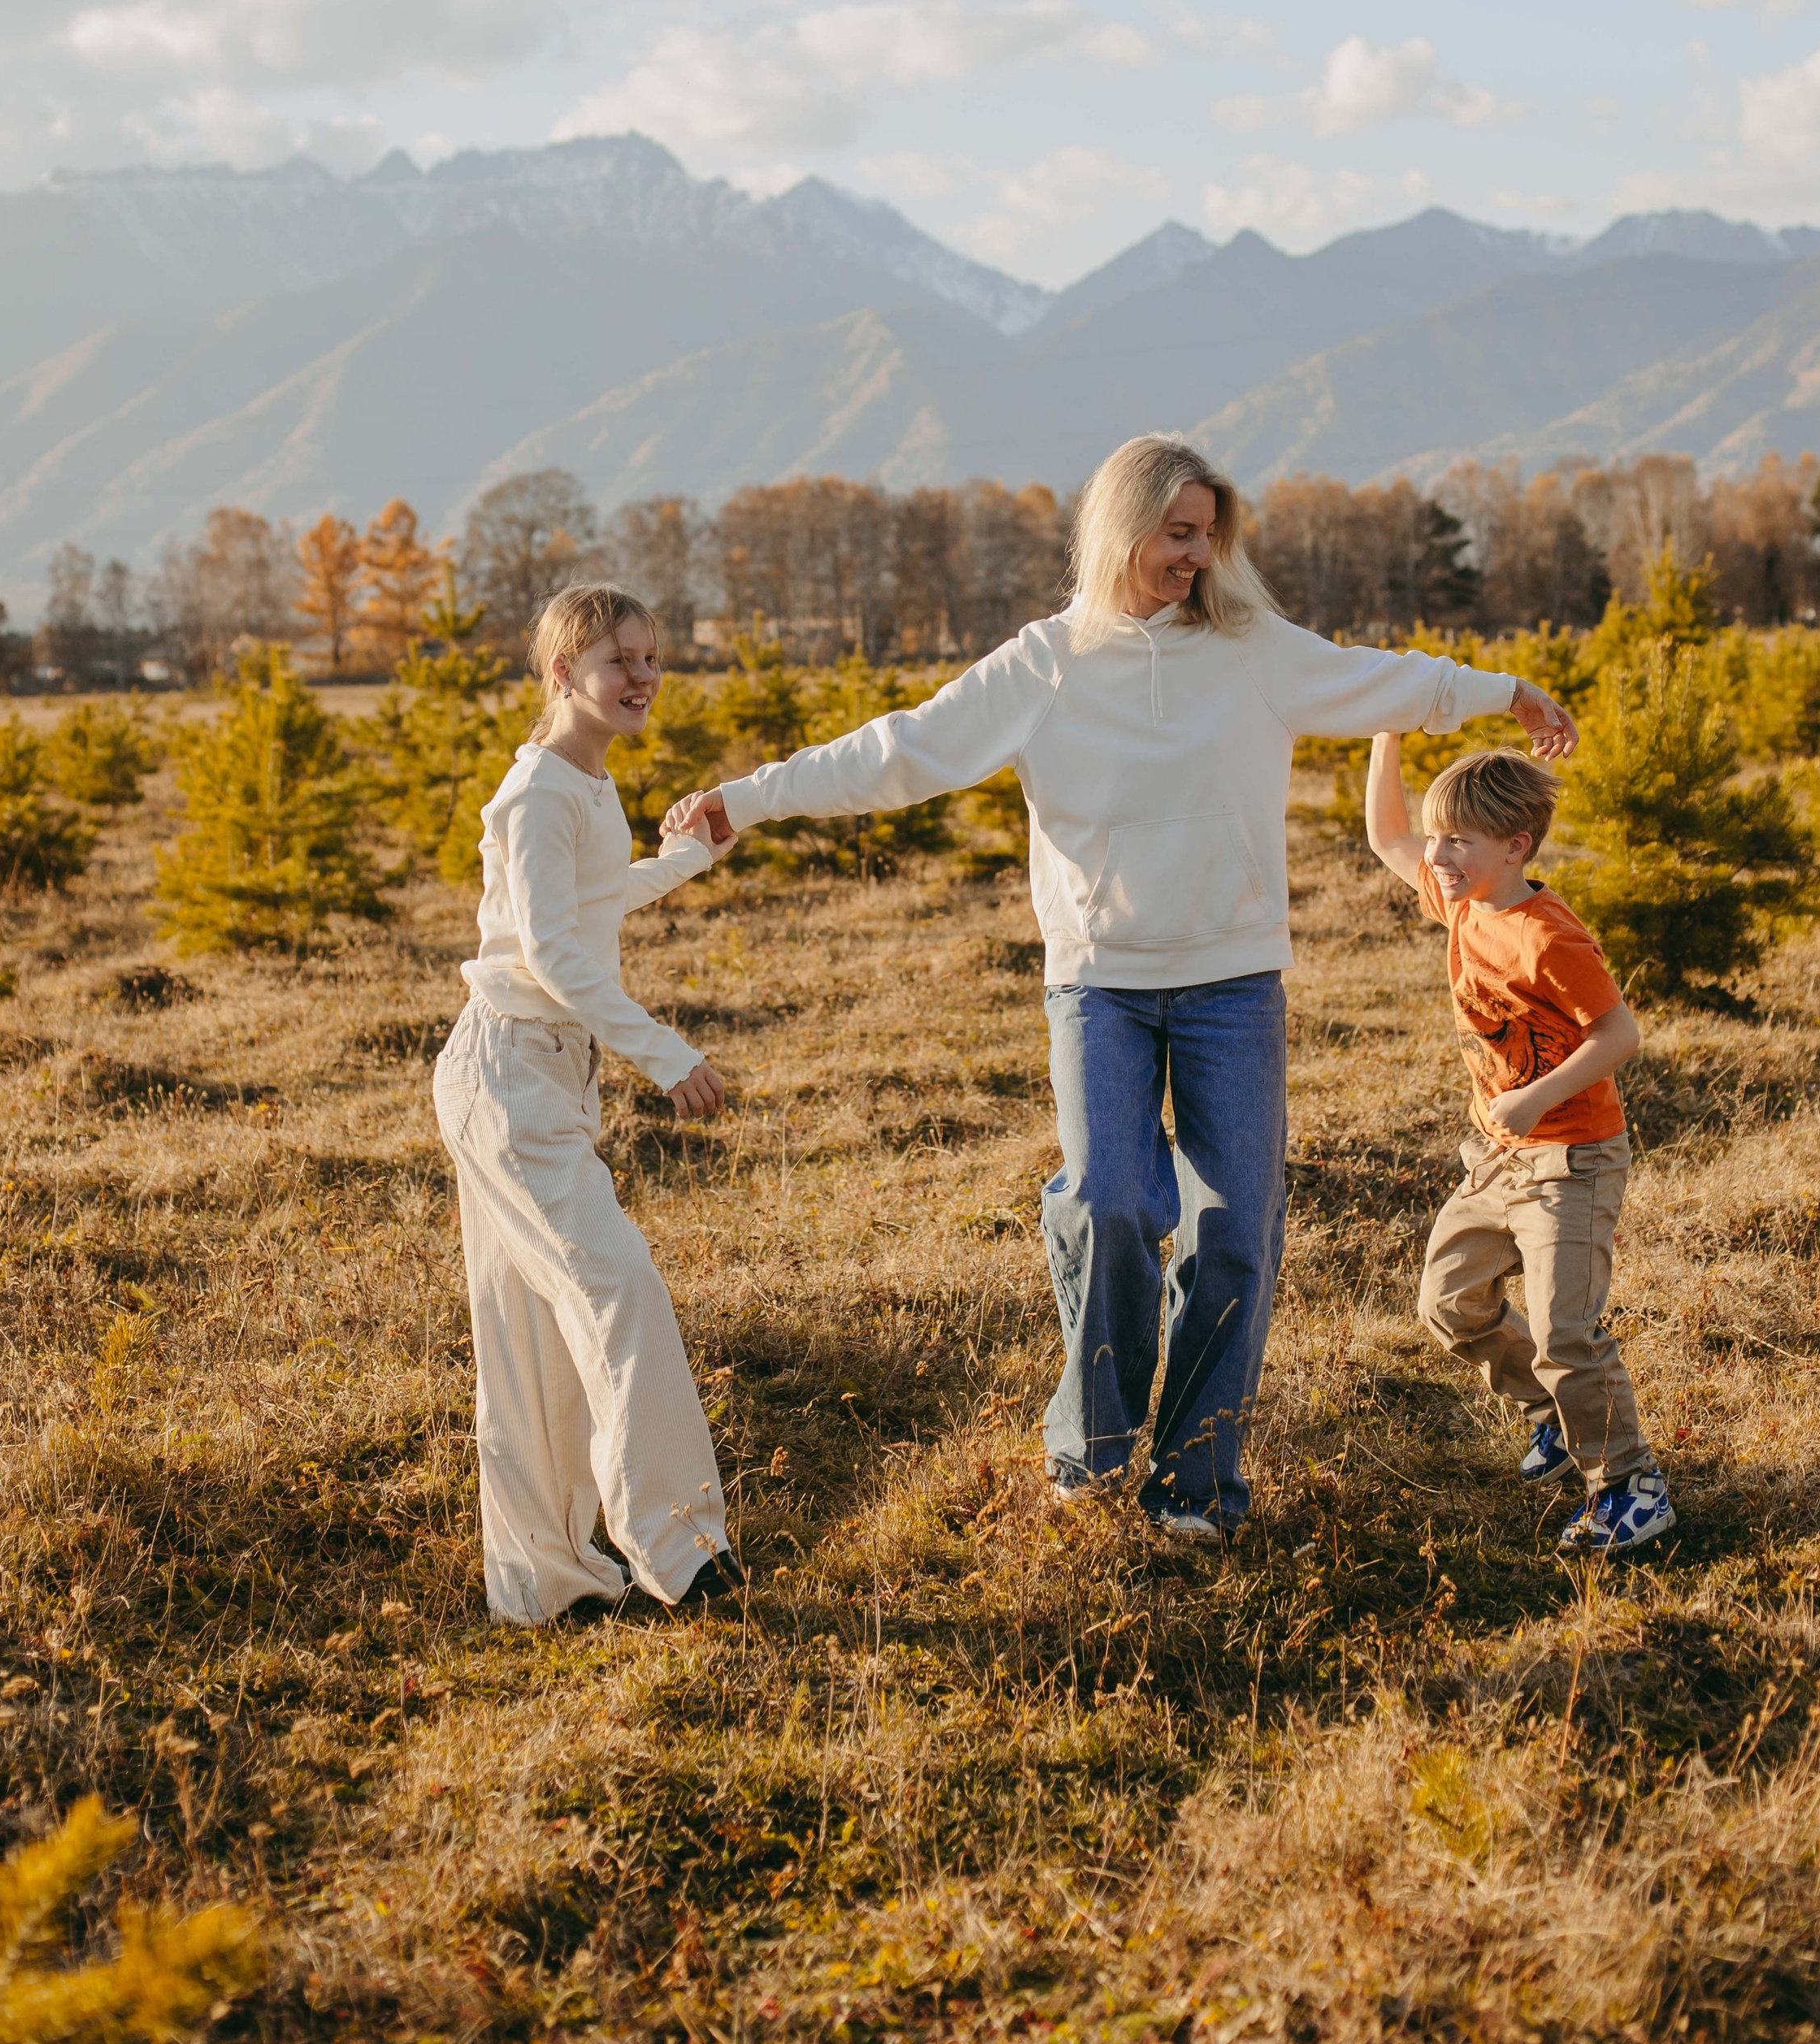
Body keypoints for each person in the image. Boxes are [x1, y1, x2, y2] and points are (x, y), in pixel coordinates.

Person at [662, 432, 1575, 1543]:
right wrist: (745, 800)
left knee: (1237, 1231)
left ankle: (1196, 1484)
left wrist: (1505, 689)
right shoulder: (1046, 662)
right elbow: (903, 750)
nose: (1197, 556)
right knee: (1110, 1204)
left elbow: (1379, 678)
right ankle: (1089, 1446)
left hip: (1234, 982)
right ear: (1120, 529)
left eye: (1209, 535)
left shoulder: (1249, 650)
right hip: (1099, 984)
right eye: (1176, 533)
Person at [432, 580, 743, 1623]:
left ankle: (548, 1586)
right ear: (564, 673)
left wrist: (684, 862)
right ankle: (683, 1554)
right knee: (619, 1291)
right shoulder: (533, 795)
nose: (644, 678)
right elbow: (557, 951)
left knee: (537, 1337)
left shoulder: (585, 784)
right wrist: (661, 1052)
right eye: (622, 661)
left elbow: (590, 903)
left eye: (652, 658)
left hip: (548, 1075)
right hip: (509, 1076)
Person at [1362, 737, 1675, 1556]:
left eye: (1457, 841)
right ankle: (1546, 1410)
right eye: (1438, 837)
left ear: (1515, 848)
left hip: (1571, 1156)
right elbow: (1385, 837)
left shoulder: (1548, 937)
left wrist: (1537, 1096)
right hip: (1498, 1156)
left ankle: (1627, 1487)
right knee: (1447, 1303)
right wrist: (1385, 737)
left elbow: (1618, 1034)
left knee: (1567, 1329)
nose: (1436, 856)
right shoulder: (1463, 901)